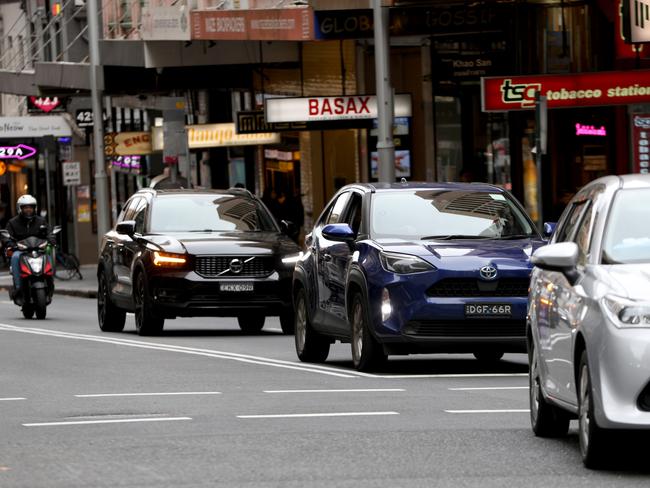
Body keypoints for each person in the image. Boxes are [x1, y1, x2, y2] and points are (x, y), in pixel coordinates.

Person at [4, 195, 55, 303]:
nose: (28, 209)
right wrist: (11, 244)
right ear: (20, 208)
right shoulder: (12, 223)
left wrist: (51, 240)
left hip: (38, 249)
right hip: (20, 250)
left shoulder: (41, 221)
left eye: (30, 207)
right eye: (25, 207)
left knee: (48, 253)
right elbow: (6, 236)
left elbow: (49, 233)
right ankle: (18, 287)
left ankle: (50, 282)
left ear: (34, 208)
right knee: (15, 256)